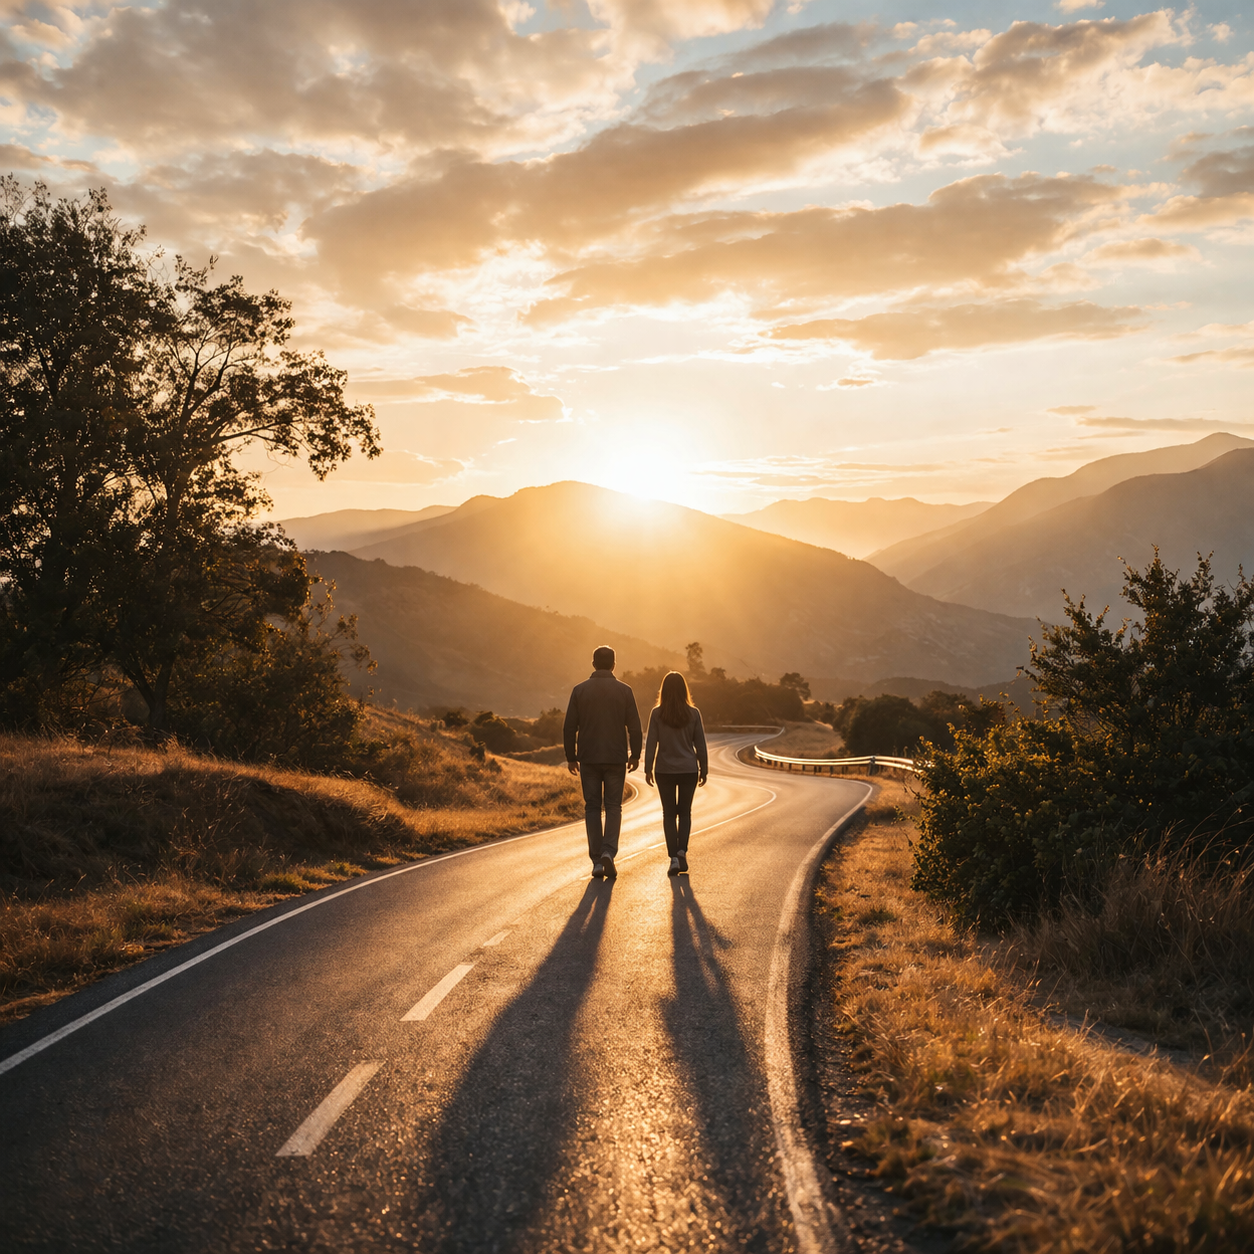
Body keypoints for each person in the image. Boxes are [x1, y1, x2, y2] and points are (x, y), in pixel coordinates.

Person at [563, 645, 642, 879]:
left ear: (593, 664)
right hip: (616, 757)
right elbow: (635, 727)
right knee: (614, 807)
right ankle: (609, 851)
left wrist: (571, 757)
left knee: (592, 807)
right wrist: (635, 755)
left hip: (588, 757)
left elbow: (569, 727)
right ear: (614, 665)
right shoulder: (625, 691)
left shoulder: (579, 691)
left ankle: (597, 860)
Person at [644, 671, 708, 876]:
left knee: (669, 814)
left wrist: (647, 768)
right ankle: (682, 851)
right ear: (684, 690)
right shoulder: (694, 713)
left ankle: (673, 858)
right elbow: (700, 744)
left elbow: (651, 743)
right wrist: (704, 768)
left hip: (664, 770)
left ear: (663, 690)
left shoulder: (657, 714)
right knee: (685, 812)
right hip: (689, 769)